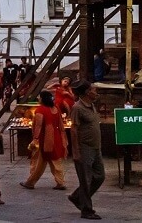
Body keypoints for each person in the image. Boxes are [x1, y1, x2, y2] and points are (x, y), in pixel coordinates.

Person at [67, 81, 103, 220]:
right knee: (85, 180)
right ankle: (86, 210)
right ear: (87, 92)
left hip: (96, 147)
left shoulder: (91, 105)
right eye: (93, 90)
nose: (96, 91)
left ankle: (77, 197)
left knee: (99, 176)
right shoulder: (77, 108)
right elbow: (74, 130)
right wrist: (76, 151)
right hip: (84, 148)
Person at [20, 90, 66, 190]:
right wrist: (63, 138)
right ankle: (60, 182)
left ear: (42, 99)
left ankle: (30, 182)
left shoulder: (40, 110)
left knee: (37, 163)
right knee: (55, 161)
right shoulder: (56, 108)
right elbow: (61, 125)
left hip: (43, 140)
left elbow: (38, 126)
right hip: (56, 138)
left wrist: (35, 138)